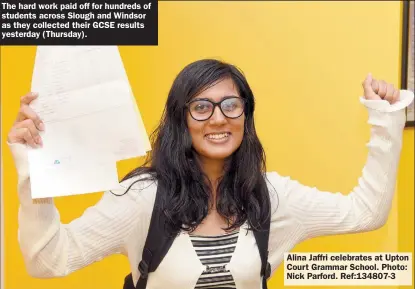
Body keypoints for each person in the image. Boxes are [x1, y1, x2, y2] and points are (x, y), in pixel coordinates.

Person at [7, 59, 414, 289]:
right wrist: (35, 170)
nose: (218, 118)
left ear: (245, 116)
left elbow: (367, 213)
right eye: (201, 107)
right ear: (182, 119)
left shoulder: (271, 197)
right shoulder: (141, 199)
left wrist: (386, 118)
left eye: (230, 105)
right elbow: (48, 261)